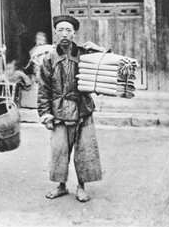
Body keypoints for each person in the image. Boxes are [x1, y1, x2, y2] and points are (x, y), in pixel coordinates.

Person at [37, 15, 106, 202]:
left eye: (68, 30)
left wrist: (99, 52)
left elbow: (106, 66)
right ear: (55, 33)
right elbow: (44, 89)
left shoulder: (85, 54)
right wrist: (45, 113)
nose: (65, 34)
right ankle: (61, 186)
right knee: (59, 151)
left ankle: (81, 186)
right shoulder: (49, 59)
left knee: (84, 150)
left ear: (75, 33)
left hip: (82, 109)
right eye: (60, 30)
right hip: (58, 111)